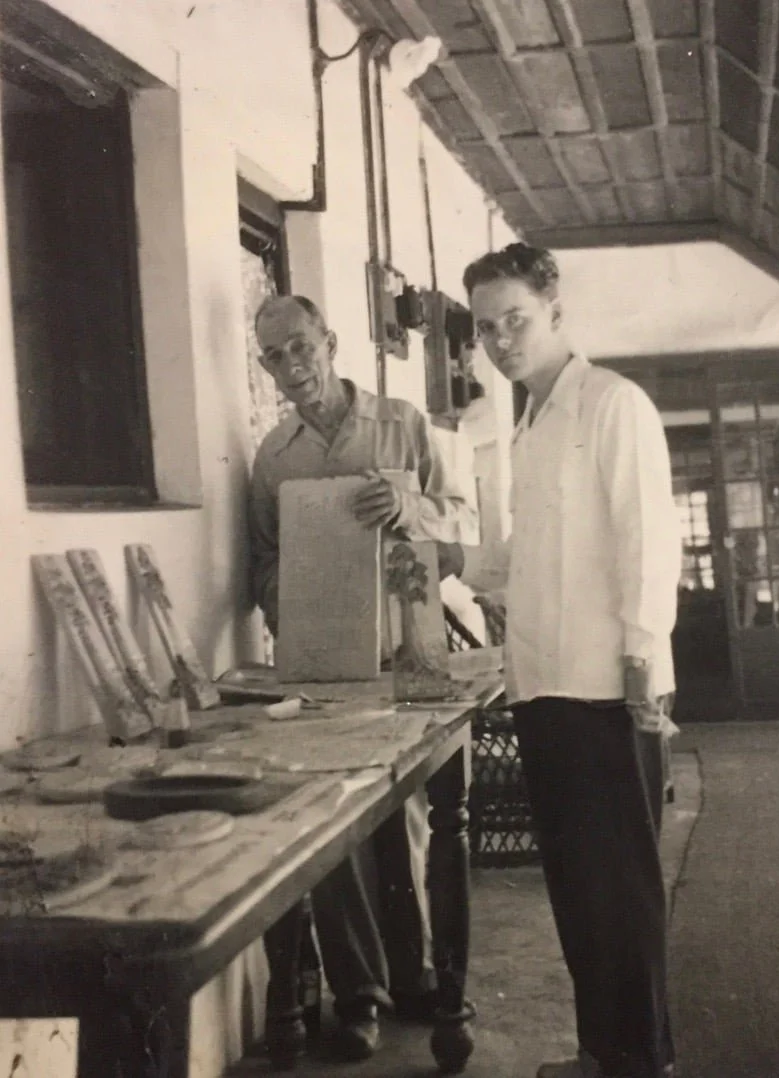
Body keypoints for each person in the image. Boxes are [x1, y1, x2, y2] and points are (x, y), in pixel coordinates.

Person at [444, 244, 680, 1078]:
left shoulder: (611, 404)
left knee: (622, 894)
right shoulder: (531, 425)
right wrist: (450, 559)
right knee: (580, 893)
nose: (501, 340)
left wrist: (643, 671)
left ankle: (641, 1062)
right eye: (485, 328)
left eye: (515, 320)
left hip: (607, 692)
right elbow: (520, 562)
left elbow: (649, 545)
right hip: (540, 686)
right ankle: (599, 1056)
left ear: (553, 314)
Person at [248, 294, 475, 1059]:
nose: (292, 365)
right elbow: (262, 561)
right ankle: (360, 997)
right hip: (326, 661)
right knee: (335, 820)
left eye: (301, 345)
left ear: (331, 342)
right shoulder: (273, 458)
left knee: (408, 820)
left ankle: (414, 978)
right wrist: (294, 603)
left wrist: (409, 505)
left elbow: (464, 526)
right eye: (274, 356)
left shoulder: (402, 422)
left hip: (410, 646)